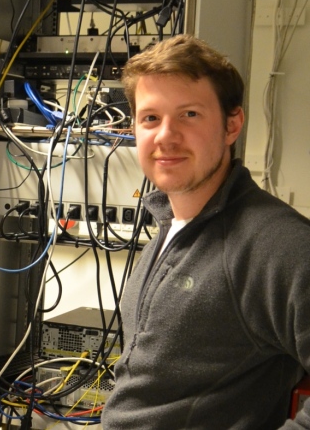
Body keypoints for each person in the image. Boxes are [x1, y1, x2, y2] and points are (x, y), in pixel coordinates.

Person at [100, 34, 310, 428]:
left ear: (233, 125)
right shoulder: (170, 227)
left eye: (189, 115)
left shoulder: (277, 245)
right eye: (151, 118)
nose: (165, 136)